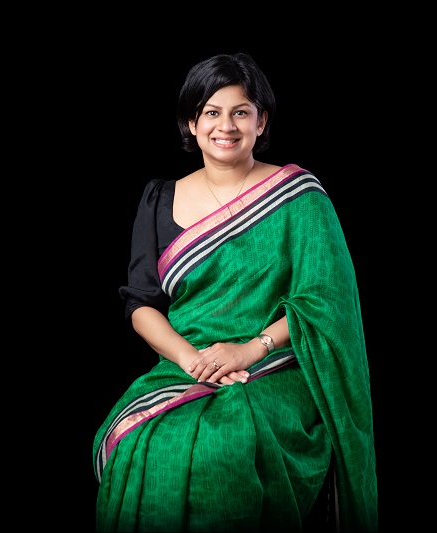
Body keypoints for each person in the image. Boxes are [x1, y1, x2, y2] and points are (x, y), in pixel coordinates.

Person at [93, 52, 378, 532]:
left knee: (226, 446)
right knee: (135, 441)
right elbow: (141, 304)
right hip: (186, 363)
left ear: (260, 122)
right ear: (192, 122)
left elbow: (326, 303)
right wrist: (193, 361)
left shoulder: (299, 197)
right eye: (211, 112)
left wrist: (249, 349)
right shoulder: (159, 198)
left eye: (240, 112)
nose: (226, 126)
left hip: (275, 365)